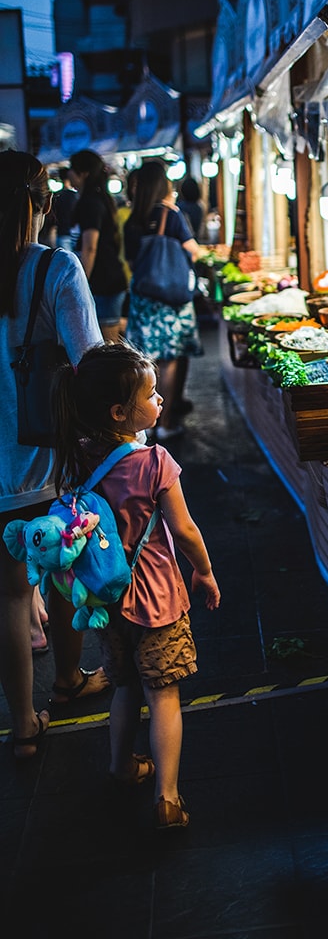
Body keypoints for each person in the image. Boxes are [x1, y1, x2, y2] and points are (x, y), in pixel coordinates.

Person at [52, 342, 220, 827]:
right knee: (163, 694)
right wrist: (204, 572)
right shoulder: (155, 462)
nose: (160, 399)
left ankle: (121, 766)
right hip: (159, 600)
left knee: (124, 688)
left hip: (107, 601)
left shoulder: (80, 458)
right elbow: (185, 530)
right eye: (151, 393)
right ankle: (167, 798)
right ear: (120, 412)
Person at [0, 151, 109, 761]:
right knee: (63, 574)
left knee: (8, 596)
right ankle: (68, 681)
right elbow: (90, 362)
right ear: (43, 204)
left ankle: (21, 725)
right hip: (44, 457)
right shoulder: (56, 269)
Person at [124, 161, 203, 439]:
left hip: (144, 298)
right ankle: (165, 423)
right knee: (168, 362)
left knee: (145, 362)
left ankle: (143, 426)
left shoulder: (132, 220)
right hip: (171, 300)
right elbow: (192, 251)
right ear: (163, 184)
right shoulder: (171, 215)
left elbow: (133, 262)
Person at [69, 149, 129, 343]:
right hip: (110, 279)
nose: (68, 174)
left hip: (104, 282)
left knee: (108, 343)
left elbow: (90, 247)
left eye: (72, 169)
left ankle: (119, 375)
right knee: (109, 341)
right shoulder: (101, 198)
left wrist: (80, 282)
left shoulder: (90, 203)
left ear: (83, 173)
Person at [176, 176, 206, 241]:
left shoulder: (179, 207)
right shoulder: (199, 207)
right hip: (195, 241)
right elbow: (200, 229)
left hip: (183, 242)